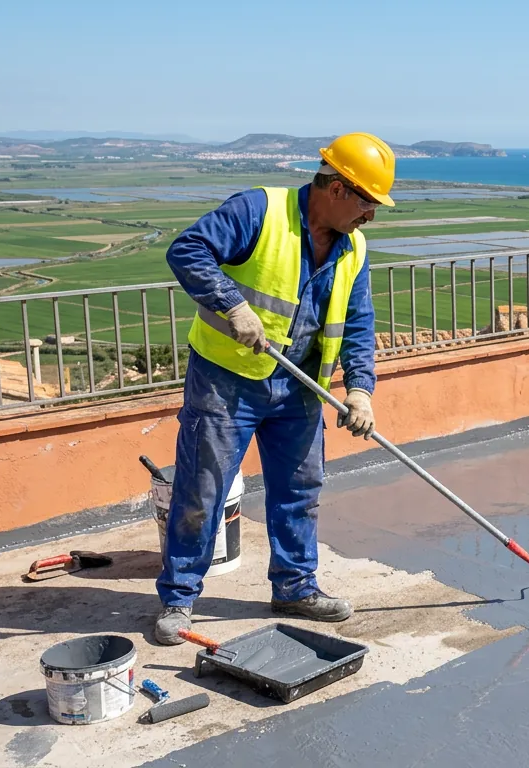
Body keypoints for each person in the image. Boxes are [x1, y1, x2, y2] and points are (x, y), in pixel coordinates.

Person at [152, 132, 396, 645]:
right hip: (227, 382)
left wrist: (360, 391)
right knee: (203, 489)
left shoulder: (354, 248)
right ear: (337, 188)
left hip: (301, 388)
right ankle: (179, 599)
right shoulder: (259, 210)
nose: (371, 215)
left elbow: (357, 321)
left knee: (299, 492)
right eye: (368, 203)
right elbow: (188, 249)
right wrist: (231, 304)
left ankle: (295, 587)